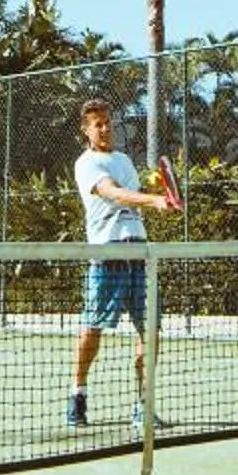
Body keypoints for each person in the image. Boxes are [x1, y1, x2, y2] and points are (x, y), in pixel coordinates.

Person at [67, 98, 166, 430]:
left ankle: (143, 405)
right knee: (93, 329)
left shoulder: (124, 160)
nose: (106, 128)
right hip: (107, 253)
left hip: (139, 251)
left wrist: (157, 187)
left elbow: (134, 190)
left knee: (150, 330)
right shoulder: (86, 164)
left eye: (109, 122)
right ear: (86, 130)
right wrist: (153, 200)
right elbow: (115, 193)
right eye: (98, 124)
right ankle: (78, 394)